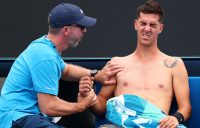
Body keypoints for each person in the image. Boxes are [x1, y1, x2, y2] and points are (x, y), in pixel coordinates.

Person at [0, 3, 124, 128]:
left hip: (30, 118)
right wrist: (80, 106)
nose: (85, 30)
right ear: (66, 30)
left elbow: (67, 71)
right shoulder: (45, 56)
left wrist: (97, 75)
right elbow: (48, 106)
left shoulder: (46, 47)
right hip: (18, 119)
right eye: (81, 26)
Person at [79, 0, 191, 128]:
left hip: (157, 125)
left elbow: (186, 107)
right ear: (135, 24)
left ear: (160, 28)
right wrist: (88, 95)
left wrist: (175, 118)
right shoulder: (117, 64)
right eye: (143, 23)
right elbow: (101, 108)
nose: (147, 29)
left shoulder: (174, 64)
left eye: (153, 25)